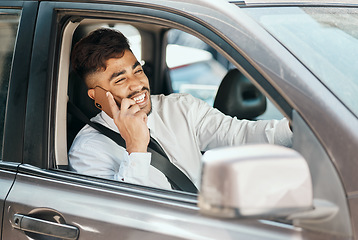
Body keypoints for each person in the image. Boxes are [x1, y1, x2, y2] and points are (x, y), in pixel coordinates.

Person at [68, 28, 292, 191]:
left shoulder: (180, 107)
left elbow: (240, 135)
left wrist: (297, 127)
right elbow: (120, 219)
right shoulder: (88, 150)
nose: (137, 84)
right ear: (96, 95)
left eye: (137, 71)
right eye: (120, 80)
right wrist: (135, 148)